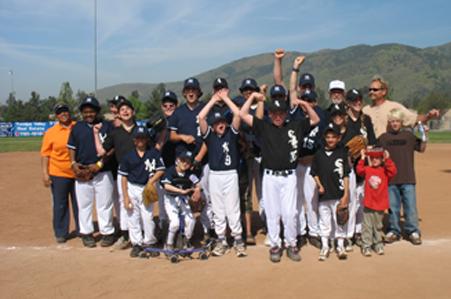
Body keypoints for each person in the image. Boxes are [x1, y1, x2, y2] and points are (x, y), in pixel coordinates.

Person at [240, 79, 319, 263]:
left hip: (289, 176)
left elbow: (315, 120)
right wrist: (253, 96)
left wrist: (304, 104)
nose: (277, 116)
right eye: (274, 112)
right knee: (273, 213)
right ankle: (275, 245)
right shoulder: (264, 126)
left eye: (281, 112)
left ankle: (292, 244)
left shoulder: (296, 126)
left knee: (291, 213)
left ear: (286, 113)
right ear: (269, 113)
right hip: (270, 177)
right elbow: (243, 114)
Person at [198, 88, 247, 257]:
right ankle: (221, 240)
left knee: (232, 208)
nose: (221, 124)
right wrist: (212, 100)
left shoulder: (231, 135)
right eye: (217, 123)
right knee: (218, 209)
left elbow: (238, 115)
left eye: (222, 122)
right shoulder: (210, 136)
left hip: (230, 174)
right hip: (215, 176)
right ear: (212, 126)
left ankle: (238, 239)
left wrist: (225, 99)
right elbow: (200, 117)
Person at [288, 56, 327, 249]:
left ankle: (314, 232)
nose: (307, 99)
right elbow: (291, 90)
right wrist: (295, 69)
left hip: (312, 164)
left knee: (312, 200)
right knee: (296, 200)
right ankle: (300, 232)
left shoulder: (321, 113)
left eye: (311, 97)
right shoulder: (294, 111)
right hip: (296, 164)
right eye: (304, 92)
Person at [168, 77, 213, 241]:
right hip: (182, 163)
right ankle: (185, 235)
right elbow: (171, 136)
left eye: (194, 90)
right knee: (184, 198)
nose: (191, 93)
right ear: (184, 93)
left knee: (205, 198)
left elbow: (210, 137)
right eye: (188, 90)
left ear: (198, 92)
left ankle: (209, 232)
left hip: (203, 161)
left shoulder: (204, 109)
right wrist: (182, 137)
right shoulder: (178, 112)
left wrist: (199, 157)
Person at [67, 96, 115, 248]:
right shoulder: (77, 127)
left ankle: (107, 232)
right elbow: (71, 147)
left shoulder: (107, 126)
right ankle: (86, 233)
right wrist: (73, 163)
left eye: (91, 111)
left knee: (105, 204)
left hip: (103, 171)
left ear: (97, 111)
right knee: (84, 204)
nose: (88, 114)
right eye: (85, 112)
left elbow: (113, 148)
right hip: (83, 170)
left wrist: (100, 163)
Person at [378, 108, 427, 245]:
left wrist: (424, 136)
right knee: (393, 207)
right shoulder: (383, 138)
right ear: (389, 122)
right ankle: (394, 231)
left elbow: (421, 149)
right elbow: (375, 154)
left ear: (401, 122)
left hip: (408, 178)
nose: (394, 124)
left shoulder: (408, 136)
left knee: (410, 207)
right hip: (390, 179)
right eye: (392, 121)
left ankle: (413, 231)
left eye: (397, 121)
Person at [94, 98, 137, 250]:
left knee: (141, 203)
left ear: (133, 111)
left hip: (140, 173)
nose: (125, 111)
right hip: (123, 174)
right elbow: (101, 151)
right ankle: (125, 236)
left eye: (127, 108)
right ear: (118, 114)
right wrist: (96, 133)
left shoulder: (140, 130)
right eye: (121, 110)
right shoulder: (115, 133)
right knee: (124, 204)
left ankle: (141, 234)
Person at [119, 126, 165, 257]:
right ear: (134, 140)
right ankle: (137, 244)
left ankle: (150, 242)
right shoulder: (128, 156)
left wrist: (151, 181)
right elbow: (123, 177)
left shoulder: (153, 153)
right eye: (138, 138)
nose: (140, 140)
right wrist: (126, 196)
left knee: (148, 216)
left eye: (143, 138)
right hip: (132, 187)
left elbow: (161, 169)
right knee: (133, 216)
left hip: (146, 187)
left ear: (146, 139)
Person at [341, 88, 377, 251]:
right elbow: (338, 145)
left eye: (359, 99)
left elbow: (372, 142)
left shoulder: (365, 120)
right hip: (348, 168)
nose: (358, 102)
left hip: (364, 167)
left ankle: (359, 232)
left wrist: (367, 151)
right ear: (347, 102)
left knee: (362, 202)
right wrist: (349, 154)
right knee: (350, 202)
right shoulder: (343, 121)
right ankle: (348, 235)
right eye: (354, 100)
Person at [311, 123, 350, 261]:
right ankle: (325, 246)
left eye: (333, 137)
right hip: (324, 195)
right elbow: (314, 172)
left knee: (340, 220)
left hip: (338, 193)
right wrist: (319, 185)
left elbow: (346, 174)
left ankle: (340, 245)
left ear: (338, 138)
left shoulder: (342, 153)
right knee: (325, 222)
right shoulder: (319, 154)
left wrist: (346, 194)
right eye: (328, 137)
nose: (330, 139)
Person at [40, 103, 79, 243]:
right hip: (58, 173)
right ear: (56, 116)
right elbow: (45, 154)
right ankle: (61, 232)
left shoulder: (78, 127)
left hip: (77, 172)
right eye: (60, 112)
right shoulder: (51, 132)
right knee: (60, 204)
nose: (64, 114)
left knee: (79, 203)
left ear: (69, 113)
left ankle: (83, 229)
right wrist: (45, 174)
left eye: (65, 111)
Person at [235, 78, 265, 246]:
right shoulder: (239, 107)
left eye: (251, 89)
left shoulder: (262, 107)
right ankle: (247, 229)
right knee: (245, 192)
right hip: (244, 156)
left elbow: (258, 123)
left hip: (261, 155)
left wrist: (260, 98)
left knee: (263, 193)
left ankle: (267, 223)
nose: (248, 92)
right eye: (245, 89)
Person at [362, 75, 440, 138]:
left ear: (384, 91)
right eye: (370, 89)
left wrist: (428, 116)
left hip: (389, 150)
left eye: (375, 89)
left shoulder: (394, 107)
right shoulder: (365, 110)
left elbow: (413, 119)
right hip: (370, 153)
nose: (371, 92)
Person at [356, 148, 397, 256]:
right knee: (367, 226)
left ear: (381, 159)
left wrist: (387, 159)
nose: (374, 160)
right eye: (372, 158)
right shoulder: (368, 169)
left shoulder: (384, 171)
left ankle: (378, 244)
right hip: (369, 203)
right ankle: (366, 245)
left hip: (380, 204)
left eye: (377, 158)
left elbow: (393, 170)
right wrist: (363, 158)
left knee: (378, 226)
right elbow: (359, 170)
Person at [160, 151, 202, 251]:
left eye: (188, 162)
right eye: (183, 161)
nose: (185, 164)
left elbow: (197, 183)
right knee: (175, 223)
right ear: (177, 161)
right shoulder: (170, 171)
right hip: (171, 199)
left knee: (191, 220)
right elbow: (166, 185)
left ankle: (186, 242)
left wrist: (197, 190)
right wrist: (181, 191)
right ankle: (169, 244)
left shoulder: (189, 174)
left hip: (183, 199)